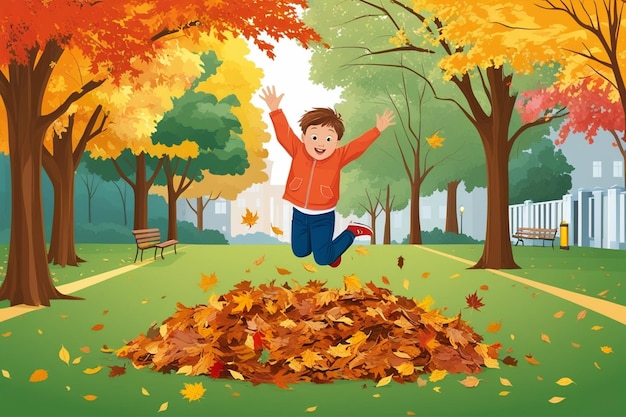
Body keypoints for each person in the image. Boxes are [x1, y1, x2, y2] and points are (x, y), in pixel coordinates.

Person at [260, 85, 395, 267]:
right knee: (300, 252)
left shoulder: (338, 156)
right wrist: (275, 111)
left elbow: (358, 146)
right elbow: (284, 135)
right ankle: (331, 252)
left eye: (329, 139)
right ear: (304, 136)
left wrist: (377, 130)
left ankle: (351, 232)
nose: (321, 144)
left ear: (337, 142)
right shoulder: (298, 150)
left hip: (322, 217)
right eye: (315, 137)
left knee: (322, 260)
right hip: (299, 214)